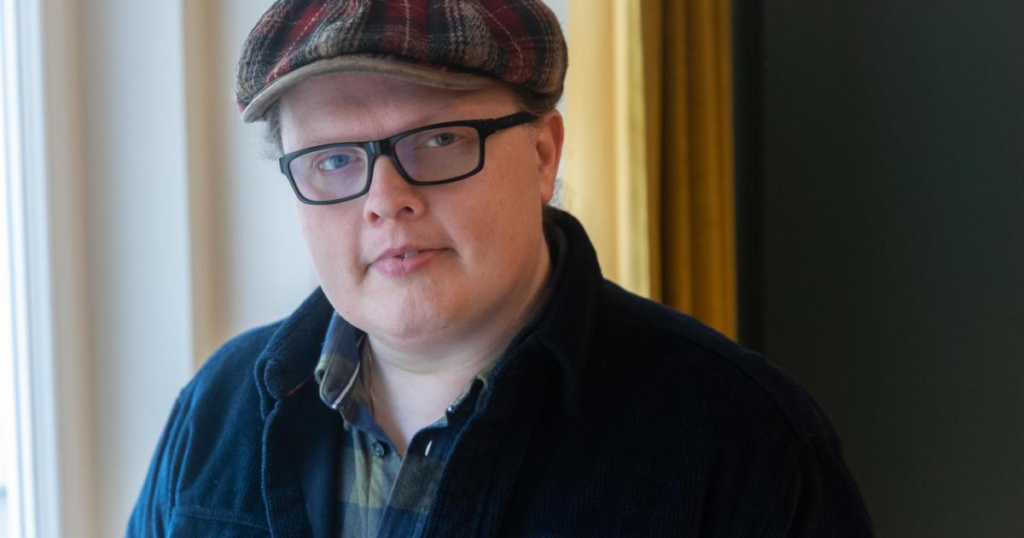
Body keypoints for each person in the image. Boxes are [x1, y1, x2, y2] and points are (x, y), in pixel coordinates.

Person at [128, 0, 874, 536]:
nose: (386, 201)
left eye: (440, 140)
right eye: (332, 160)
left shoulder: (742, 440)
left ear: (544, 155)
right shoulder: (218, 408)